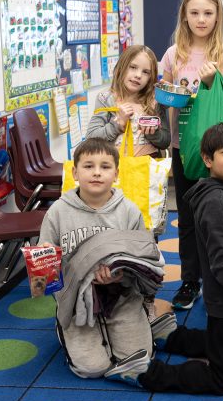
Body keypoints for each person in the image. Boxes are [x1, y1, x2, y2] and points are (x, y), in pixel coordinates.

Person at [109, 123, 223, 394]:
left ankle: (171, 336)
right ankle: (145, 373)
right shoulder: (215, 202)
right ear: (208, 159)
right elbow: (222, 264)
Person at [39, 138, 176, 381]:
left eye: (105, 166)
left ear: (116, 174)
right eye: (88, 166)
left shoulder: (129, 211)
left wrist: (122, 277)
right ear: (75, 173)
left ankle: (137, 322)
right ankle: (64, 325)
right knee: (92, 369)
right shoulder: (57, 212)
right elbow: (45, 264)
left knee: (140, 357)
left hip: (122, 295)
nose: (96, 173)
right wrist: (45, 261)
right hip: (78, 302)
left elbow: (145, 259)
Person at [159, 0, 223, 310]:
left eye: (208, 13)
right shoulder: (173, 54)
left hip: (217, 153)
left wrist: (210, 83)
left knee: (220, 217)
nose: (201, 19)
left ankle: (222, 277)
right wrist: (169, 94)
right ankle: (190, 280)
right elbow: (164, 97)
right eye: (194, 12)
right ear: (185, 15)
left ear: (218, 16)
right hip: (183, 147)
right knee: (188, 218)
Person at [86, 44, 170, 159]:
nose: (138, 75)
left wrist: (154, 134)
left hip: (148, 167)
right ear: (121, 67)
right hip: (116, 166)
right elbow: (91, 138)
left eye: (146, 72)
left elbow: (165, 142)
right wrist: (117, 124)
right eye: (133, 67)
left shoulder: (155, 100)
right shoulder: (106, 99)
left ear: (151, 77)